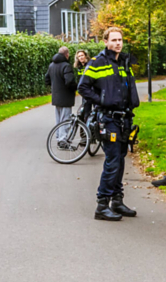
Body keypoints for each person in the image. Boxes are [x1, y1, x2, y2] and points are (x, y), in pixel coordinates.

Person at [78, 27, 140, 221]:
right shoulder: (98, 63)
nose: (118, 43)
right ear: (105, 41)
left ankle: (117, 200)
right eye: (113, 40)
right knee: (112, 161)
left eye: (120, 40)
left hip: (124, 118)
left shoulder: (124, 62)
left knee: (120, 160)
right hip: (108, 118)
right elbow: (83, 87)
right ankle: (102, 204)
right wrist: (102, 100)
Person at [45, 46, 77, 140]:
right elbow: (69, 82)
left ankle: (59, 136)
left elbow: (47, 79)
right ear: (67, 55)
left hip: (56, 96)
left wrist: (55, 86)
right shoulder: (66, 66)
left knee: (58, 119)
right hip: (66, 96)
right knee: (65, 119)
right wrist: (75, 87)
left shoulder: (51, 65)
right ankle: (62, 140)